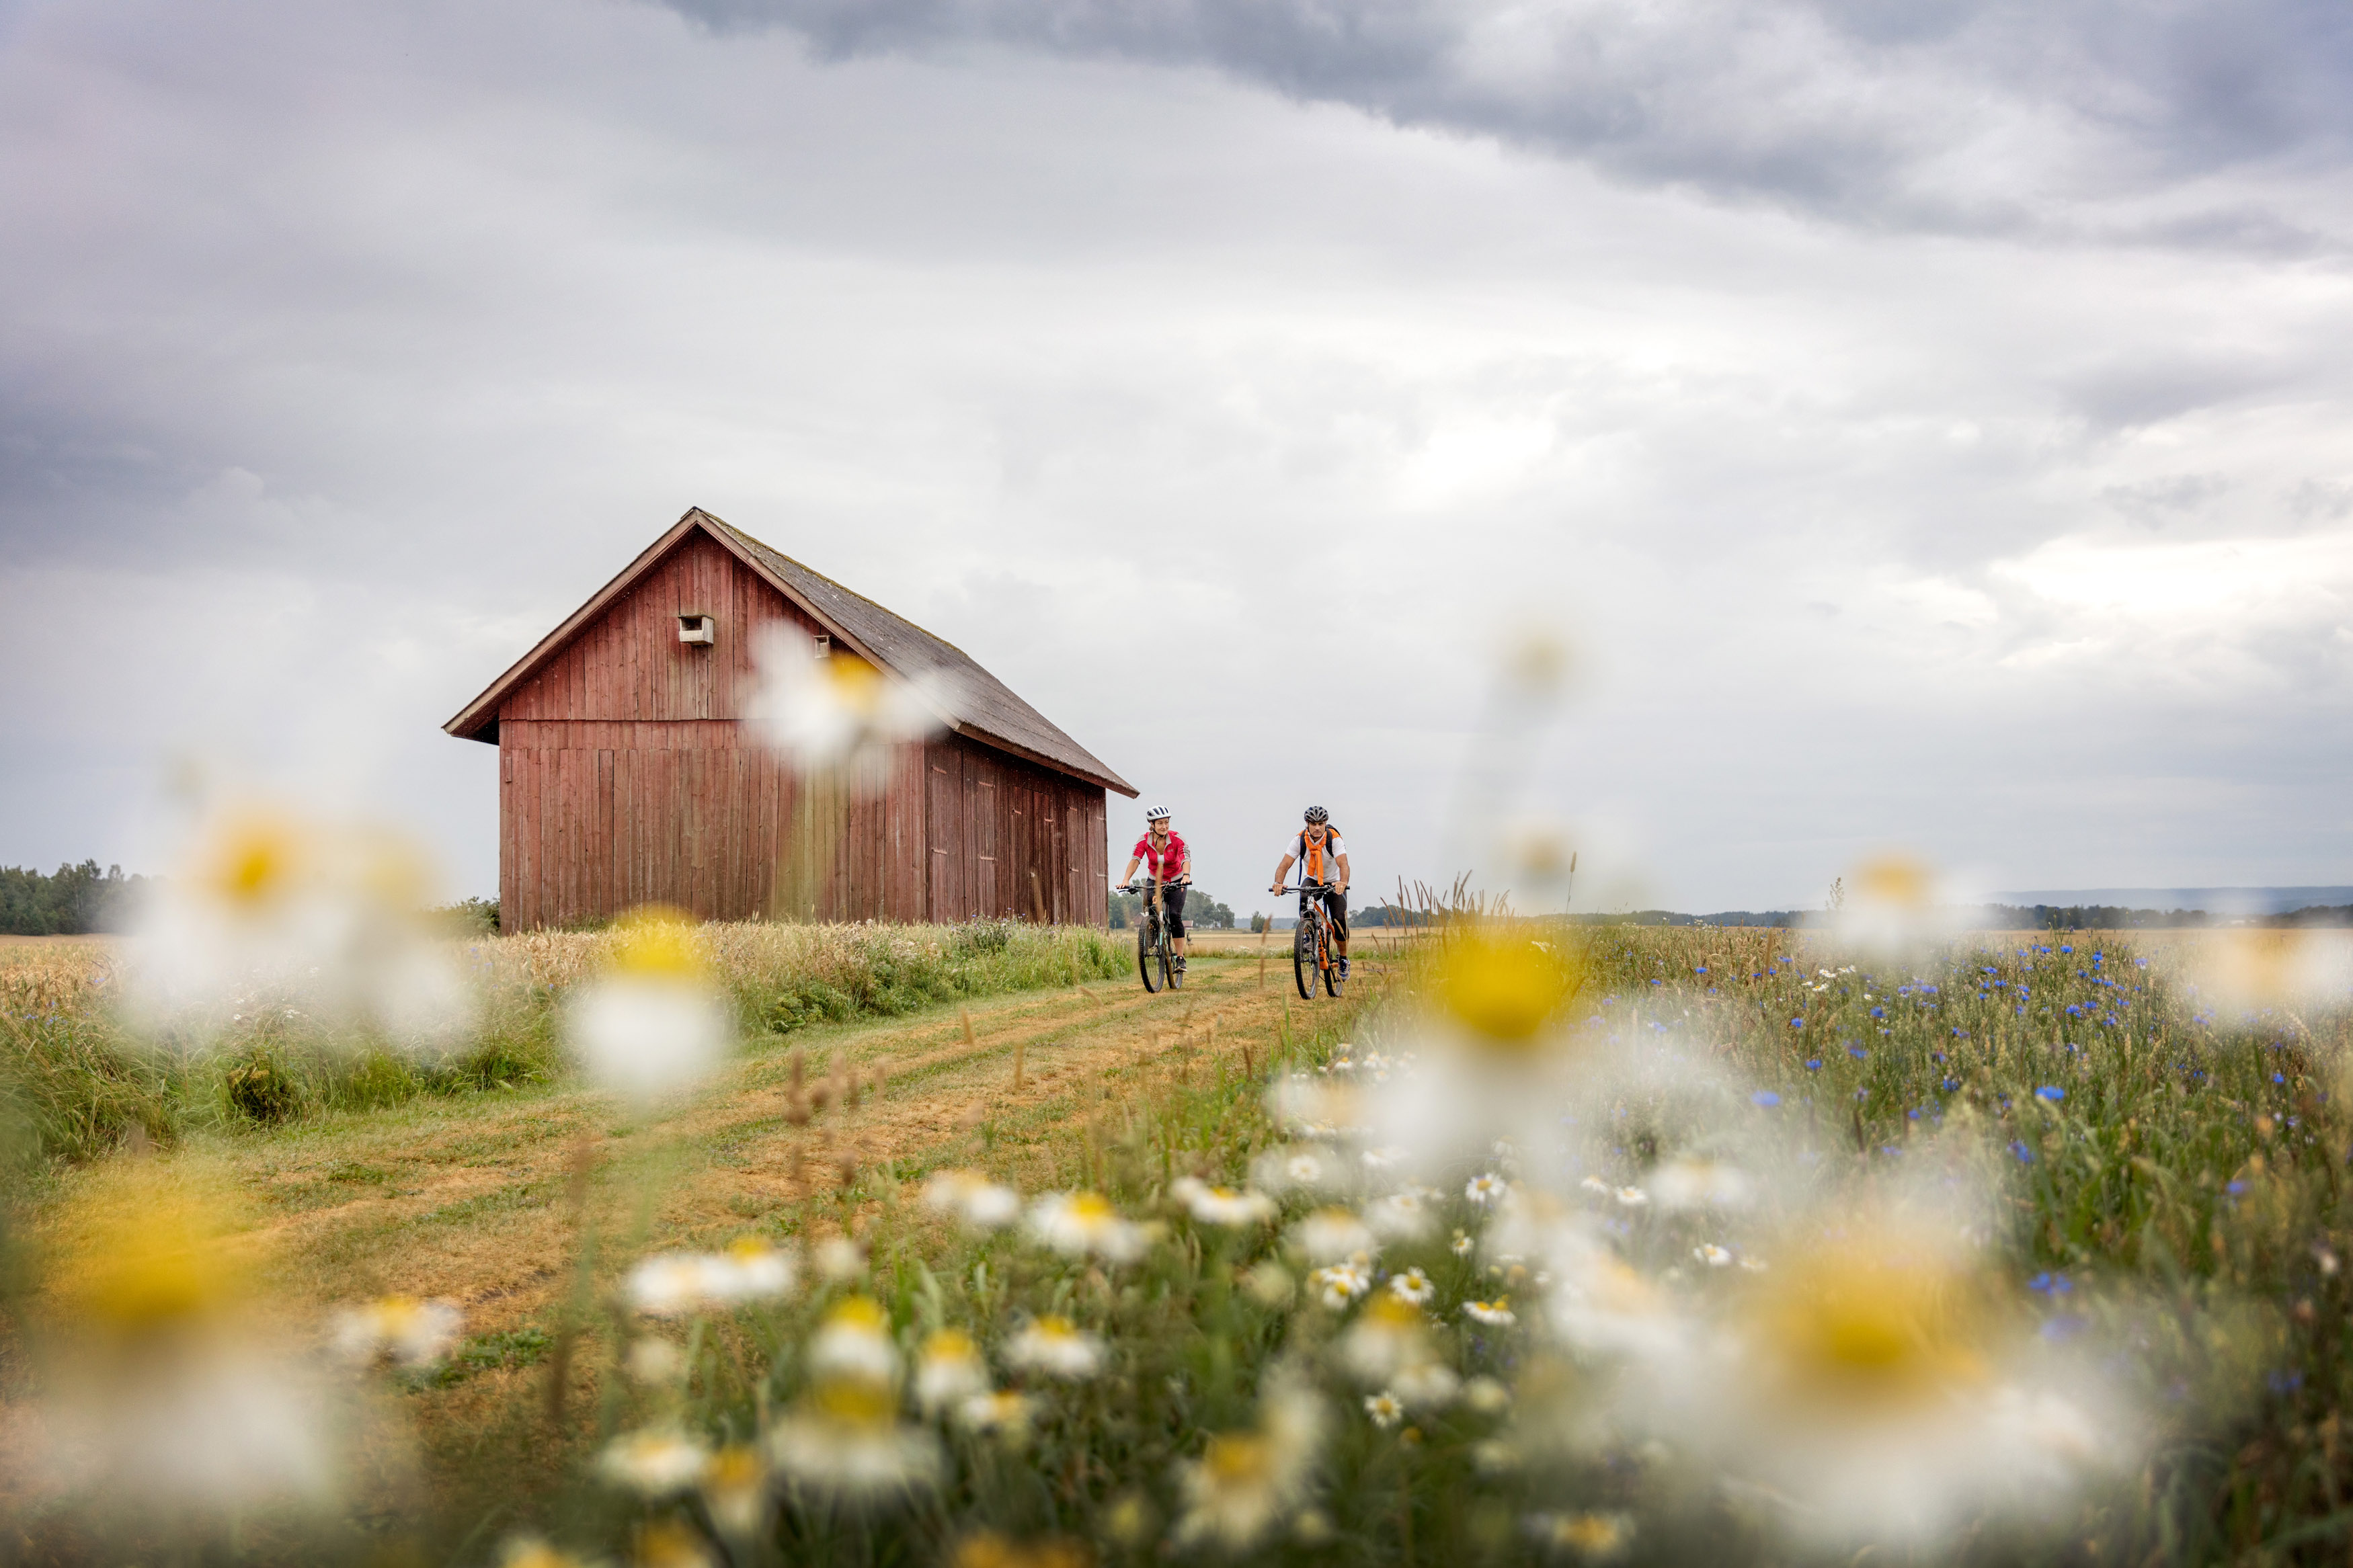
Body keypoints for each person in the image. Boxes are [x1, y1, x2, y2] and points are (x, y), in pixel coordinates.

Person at [1269, 806, 1350, 981]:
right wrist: (1278, 883)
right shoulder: (1300, 840)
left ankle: (1344, 958)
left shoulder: (1334, 839)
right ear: (1307, 824)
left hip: (1335, 882)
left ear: (1325, 823)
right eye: (1313, 824)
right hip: (1313, 879)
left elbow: (1344, 864)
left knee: (1339, 919)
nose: (1317, 828)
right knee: (1305, 897)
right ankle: (1308, 933)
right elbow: (1284, 865)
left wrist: (1343, 883)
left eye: (1321, 824)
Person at [1119, 805, 1192, 977]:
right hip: (1155, 880)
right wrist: (1126, 880)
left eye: (1166, 822)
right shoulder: (1144, 840)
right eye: (1160, 823)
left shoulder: (1177, 838)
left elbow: (1185, 858)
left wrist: (1186, 875)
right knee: (1150, 906)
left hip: (1177, 880)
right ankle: (1151, 929)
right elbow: (1135, 860)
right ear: (1152, 825)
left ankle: (1180, 958)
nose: (1164, 826)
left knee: (1174, 915)